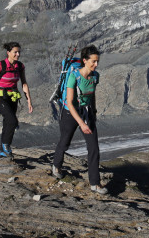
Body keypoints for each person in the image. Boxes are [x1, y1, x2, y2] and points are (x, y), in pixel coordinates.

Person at [52, 45, 108, 194]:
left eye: (97, 61)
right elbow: (70, 103)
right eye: (93, 61)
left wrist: (93, 111)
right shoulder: (74, 76)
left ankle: (95, 183)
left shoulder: (95, 76)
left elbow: (92, 94)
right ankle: (56, 165)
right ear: (84, 60)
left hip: (87, 112)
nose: (96, 65)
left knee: (93, 147)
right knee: (65, 141)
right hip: (70, 112)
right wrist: (81, 123)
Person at [0, 42, 33, 159]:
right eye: (15, 52)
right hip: (1, 97)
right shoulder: (0, 66)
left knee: (7, 123)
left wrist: (29, 100)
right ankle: (6, 146)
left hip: (13, 97)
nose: (18, 54)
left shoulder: (20, 66)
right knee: (13, 121)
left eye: (19, 52)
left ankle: (3, 151)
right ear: (8, 53)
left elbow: (24, 83)